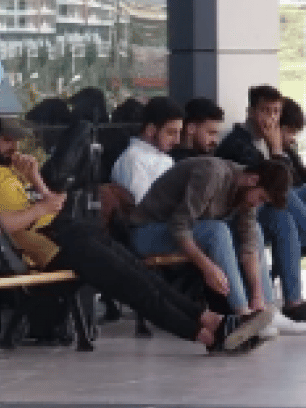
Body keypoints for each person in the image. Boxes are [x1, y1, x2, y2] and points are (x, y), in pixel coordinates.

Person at [0, 117, 272, 353]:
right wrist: (40, 206)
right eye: (5, 140)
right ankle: (206, 332)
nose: (13, 147)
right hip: (49, 250)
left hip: (67, 231)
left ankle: (212, 322)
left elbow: (52, 205)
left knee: (139, 272)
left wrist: (36, 181)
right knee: (132, 284)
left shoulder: (13, 171)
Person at [129, 156, 292, 324]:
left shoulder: (246, 191)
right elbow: (179, 227)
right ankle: (243, 315)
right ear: (253, 180)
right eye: (261, 198)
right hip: (146, 233)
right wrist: (208, 267)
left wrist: (257, 295)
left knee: (255, 230)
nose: (258, 204)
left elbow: (249, 242)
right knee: (217, 231)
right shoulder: (212, 174)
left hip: (181, 232)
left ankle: (265, 311)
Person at [212, 86, 306, 327]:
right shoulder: (239, 143)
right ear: (251, 112)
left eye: (276, 112)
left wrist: (279, 151)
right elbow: (271, 187)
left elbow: (297, 178)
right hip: (235, 213)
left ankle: (294, 302)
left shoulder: (270, 140)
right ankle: (290, 302)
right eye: (266, 111)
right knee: (282, 204)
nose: (272, 118)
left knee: (284, 212)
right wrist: (275, 151)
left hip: (262, 209)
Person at [110, 96, 183, 203]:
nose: (177, 140)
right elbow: (143, 207)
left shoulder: (165, 158)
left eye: (179, 132)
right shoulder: (133, 161)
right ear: (150, 130)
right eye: (171, 133)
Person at [170, 97, 225, 162]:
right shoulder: (170, 162)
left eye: (216, 134)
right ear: (191, 128)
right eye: (211, 133)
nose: (215, 140)